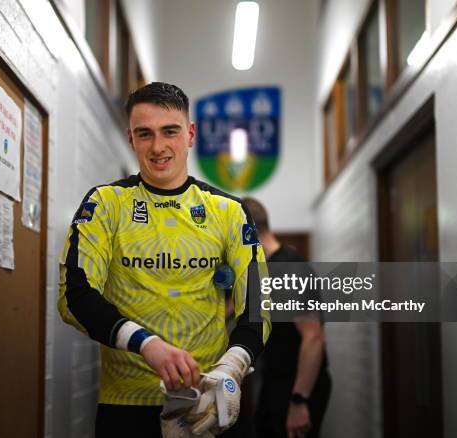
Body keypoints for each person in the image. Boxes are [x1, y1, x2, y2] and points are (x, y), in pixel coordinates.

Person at [57, 82, 271, 437]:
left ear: (189, 134)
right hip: (125, 406)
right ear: (130, 139)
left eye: (169, 131)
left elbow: (258, 306)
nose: (157, 147)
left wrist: (231, 368)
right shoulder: (105, 204)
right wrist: (147, 344)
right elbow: (73, 295)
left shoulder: (229, 212)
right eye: (145, 134)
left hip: (207, 400)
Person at [242, 198, 331, 438]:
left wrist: (299, 401)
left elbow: (313, 338)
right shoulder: (267, 268)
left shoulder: (289, 268)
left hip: (295, 388)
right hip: (274, 380)